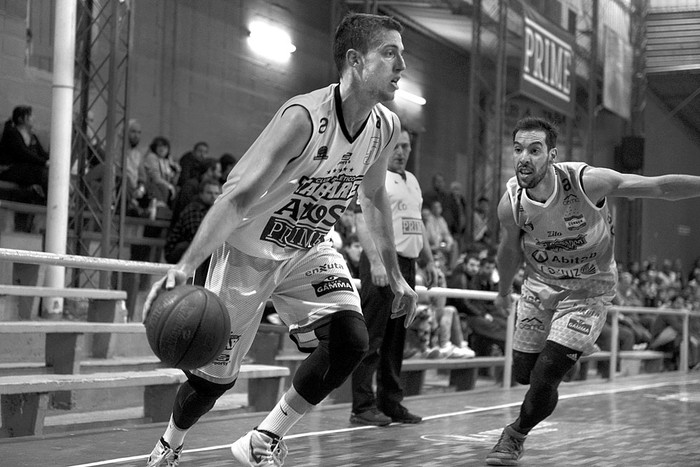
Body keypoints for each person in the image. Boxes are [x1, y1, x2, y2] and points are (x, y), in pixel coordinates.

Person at [144, 13, 417, 467]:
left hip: (307, 247)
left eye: (401, 55)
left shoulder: (385, 127)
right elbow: (236, 198)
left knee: (350, 339)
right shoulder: (304, 118)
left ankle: (262, 438)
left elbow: (372, 196)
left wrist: (392, 273)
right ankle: (168, 444)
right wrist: (183, 263)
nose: (401, 66)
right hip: (246, 252)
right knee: (213, 382)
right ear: (354, 60)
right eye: (390, 53)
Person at [486, 116, 700, 466]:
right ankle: (564, 349)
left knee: (545, 376)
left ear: (552, 155)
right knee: (523, 372)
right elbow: (509, 249)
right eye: (518, 149)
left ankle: (514, 436)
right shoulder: (511, 203)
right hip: (541, 285)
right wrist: (502, 291)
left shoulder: (586, 183)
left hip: (589, 287)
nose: (524, 157)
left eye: (535, 150)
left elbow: (659, 187)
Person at [350, 129, 437, 427]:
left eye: (406, 146)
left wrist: (429, 260)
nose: (401, 151)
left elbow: (418, 223)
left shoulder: (411, 181)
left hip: (408, 264)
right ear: (385, 147)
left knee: (397, 339)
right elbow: (362, 221)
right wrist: (376, 261)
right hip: (384, 262)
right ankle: (362, 407)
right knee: (373, 336)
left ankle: (391, 402)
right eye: (396, 146)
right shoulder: (375, 176)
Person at [164, 180, 222, 285]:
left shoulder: (216, 210)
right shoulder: (194, 208)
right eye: (209, 193)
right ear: (201, 194)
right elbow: (196, 236)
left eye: (216, 193)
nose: (213, 196)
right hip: (180, 250)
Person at [0, 105, 49, 201]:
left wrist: (52, 161)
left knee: (47, 172)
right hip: (10, 170)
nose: (33, 118)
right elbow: (23, 153)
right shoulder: (12, 133)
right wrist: (44, 163)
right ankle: (49, 202)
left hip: (25, 170)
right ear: (21, 119)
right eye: (29, 116)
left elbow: (41, 153)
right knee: (42, 173)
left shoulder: (32, 136)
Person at [142, 136, 180, 208]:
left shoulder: (167, 161)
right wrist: (169, 186)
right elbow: (156, 178)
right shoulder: (151, 157)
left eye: (165, 147)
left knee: (178, 190)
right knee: (163, 187)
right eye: (159, 146)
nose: (162, 149)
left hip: (164, 186)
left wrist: (177, 172)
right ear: (154, 147)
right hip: (151, 185)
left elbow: (174, 182)